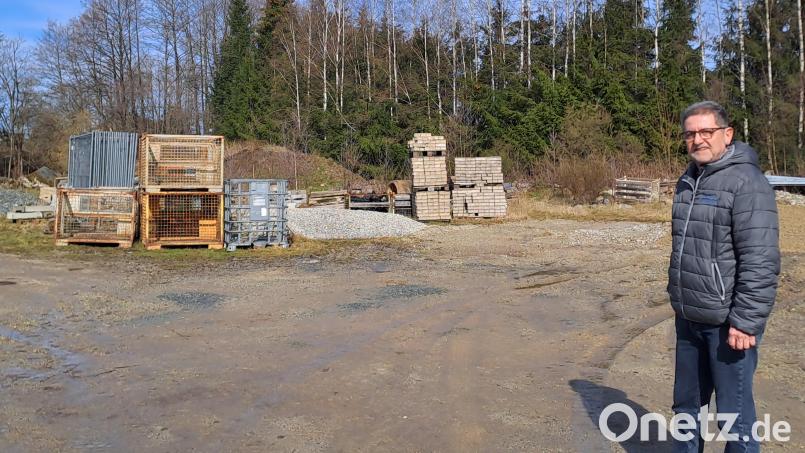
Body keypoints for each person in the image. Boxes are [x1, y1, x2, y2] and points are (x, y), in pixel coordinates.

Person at [667, 101, 780, 452]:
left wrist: (745, 322)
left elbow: (760, 259)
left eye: (706, 131)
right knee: (687, 409)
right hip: (689, 318)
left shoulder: (747, 183)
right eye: (690, 133)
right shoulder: (688, 180)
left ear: (727, 134)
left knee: (735, 418)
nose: (698, 139)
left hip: (728, 325)